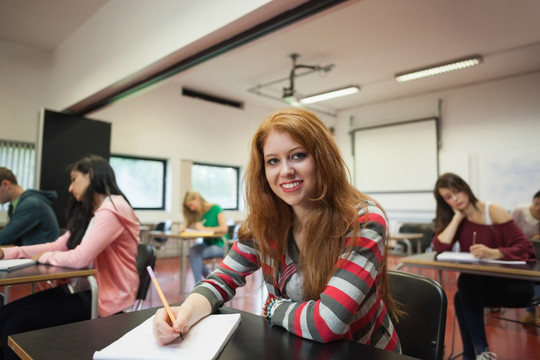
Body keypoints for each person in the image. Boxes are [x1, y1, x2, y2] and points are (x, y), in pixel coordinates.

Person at [153, 108, 401, 353]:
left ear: (323, 158)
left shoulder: (363, 221)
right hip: (297, 347)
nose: (285, 171)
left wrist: (273, 308)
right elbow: (220, 280)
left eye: (298, 156)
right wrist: (184, 312)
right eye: (273, 161)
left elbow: (327, 323)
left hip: (362, 352)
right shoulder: (265, 222)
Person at [0, 155, 140, 360]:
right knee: (5, 315)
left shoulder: (113, 207)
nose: (70, 188)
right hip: (85, 288)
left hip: (107, 297)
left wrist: (45, 257)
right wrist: (8, 252)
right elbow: (59, 245)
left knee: (16, 325)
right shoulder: (95, 213)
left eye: (74, 179)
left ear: (91, 175)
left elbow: (80, 258)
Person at [432, 173, 536, 360]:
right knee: (463, 291)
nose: (455, 199)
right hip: (482, 289)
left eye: (457, 192)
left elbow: (527, 249)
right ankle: (476, 356)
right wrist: (457, 217)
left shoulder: (492, 211)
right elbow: (440, 247)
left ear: (465, 189)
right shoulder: (459, 218)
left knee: (464, 286)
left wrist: (495, 253)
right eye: (448, 197)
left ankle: (479, 353)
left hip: (515, 286)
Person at [0, 167, 60, 245]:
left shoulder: (31, 204)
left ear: (6, 184)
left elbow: (4, 236)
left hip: (41, 255)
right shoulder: (15, 205)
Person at [183, 190, 228, 284]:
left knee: (196, 256)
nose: (191, 209)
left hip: (220, 244)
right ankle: (209, 282)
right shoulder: (199, 213)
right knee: (192, 251)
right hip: (206, 244)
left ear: (197, 198)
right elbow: (194, 226)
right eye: (189, 207)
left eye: (192, 205)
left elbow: (224, 229)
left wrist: (205, 228)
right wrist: (185, 228)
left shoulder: (216, 208)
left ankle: (199, 284)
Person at [511, 190, 540, 326]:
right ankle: (533, 311)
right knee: (534, 277)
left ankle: (534, 311)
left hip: (537, 254)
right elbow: (510, 233)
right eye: (537, 203)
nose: (539, 208)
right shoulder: (519, 212)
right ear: (533, 201)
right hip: (520, 255)